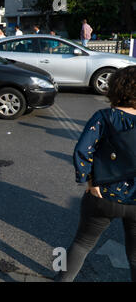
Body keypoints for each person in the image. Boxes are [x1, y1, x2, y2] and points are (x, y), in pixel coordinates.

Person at [55, 66, 136, 282]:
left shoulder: (104, 117)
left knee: (82, 244)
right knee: (135, 256)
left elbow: (83, 150)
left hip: (103, 194)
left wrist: (90, 181)